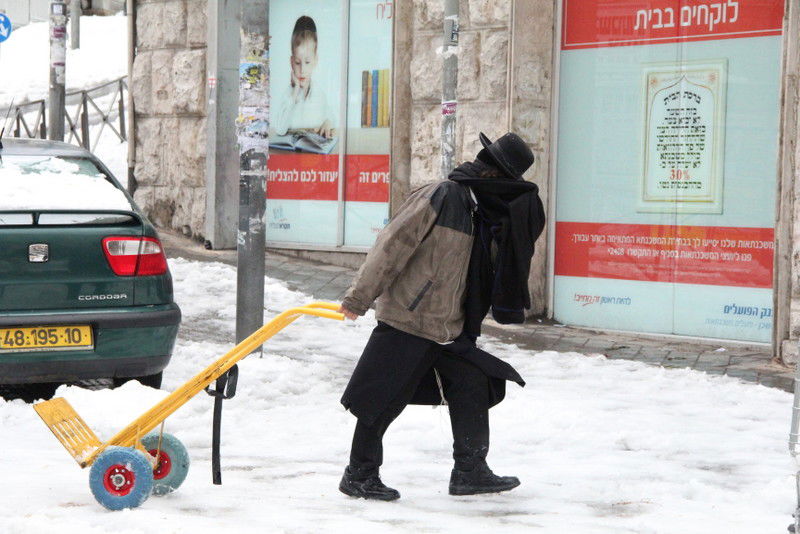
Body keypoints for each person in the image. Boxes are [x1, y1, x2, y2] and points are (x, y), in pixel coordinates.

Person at [337, 132, 546, 501]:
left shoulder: (484, 211)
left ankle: (470, 471)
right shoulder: (444, 196)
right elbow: (392, 245)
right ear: (495, 174)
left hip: (449, 328)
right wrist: (359, 297)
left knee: (475, 383)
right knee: (383, 397)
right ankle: (359, 474)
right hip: (410, 317)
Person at [272, 16, 335, 139]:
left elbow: (331, 115)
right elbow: (279, 129)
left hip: (312, 156)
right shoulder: (288, 94)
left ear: (315, 61)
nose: (302, 70)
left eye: (307, 62)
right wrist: (295, 93)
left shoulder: (319, 93)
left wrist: (328, 122)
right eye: (297, 62)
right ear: (291, 62)